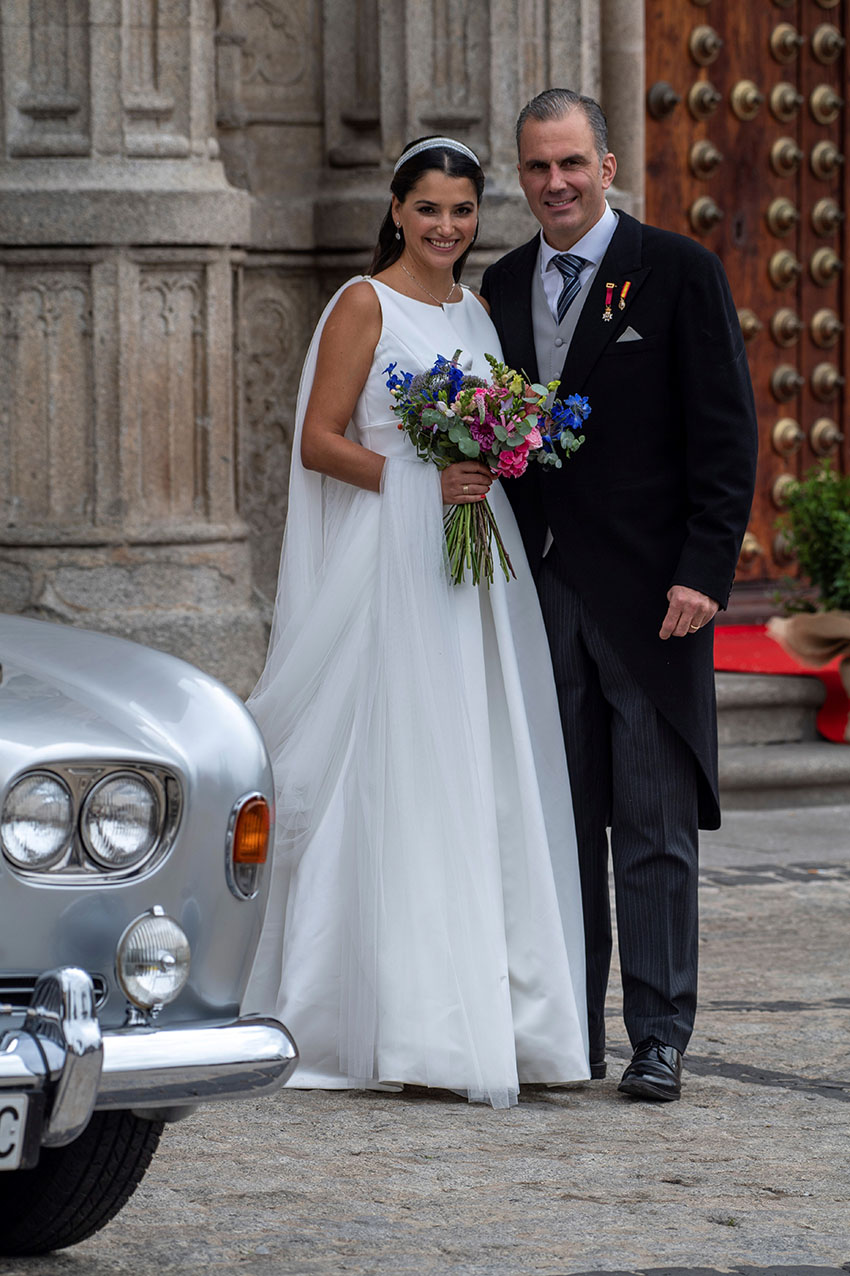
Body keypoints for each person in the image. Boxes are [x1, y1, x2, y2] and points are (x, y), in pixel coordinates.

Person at [242, 136, 590, 1109]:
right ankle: (394, 1017)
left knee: (477, 766)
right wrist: (418, 477)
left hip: (471, 570)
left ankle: (503, 1013)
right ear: (395, 210)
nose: (446, 227)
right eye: (428, 209)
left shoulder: (476, 310)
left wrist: (494, 453)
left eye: (463, 211)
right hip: (392, 564)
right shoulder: (364, 303)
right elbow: (319, 440)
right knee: (392, 764)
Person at [480, 90, 758, 1102]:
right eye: (536, 169)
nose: (554, 184)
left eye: (571, 164)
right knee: (560, 823)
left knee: (650, 821)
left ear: (605, 163)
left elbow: (725, 432)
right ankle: (568, 1032)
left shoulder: (677, 272)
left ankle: (658, 1032)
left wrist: (705, 567)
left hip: (653, 598)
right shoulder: (501, 285)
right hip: (537, 591)